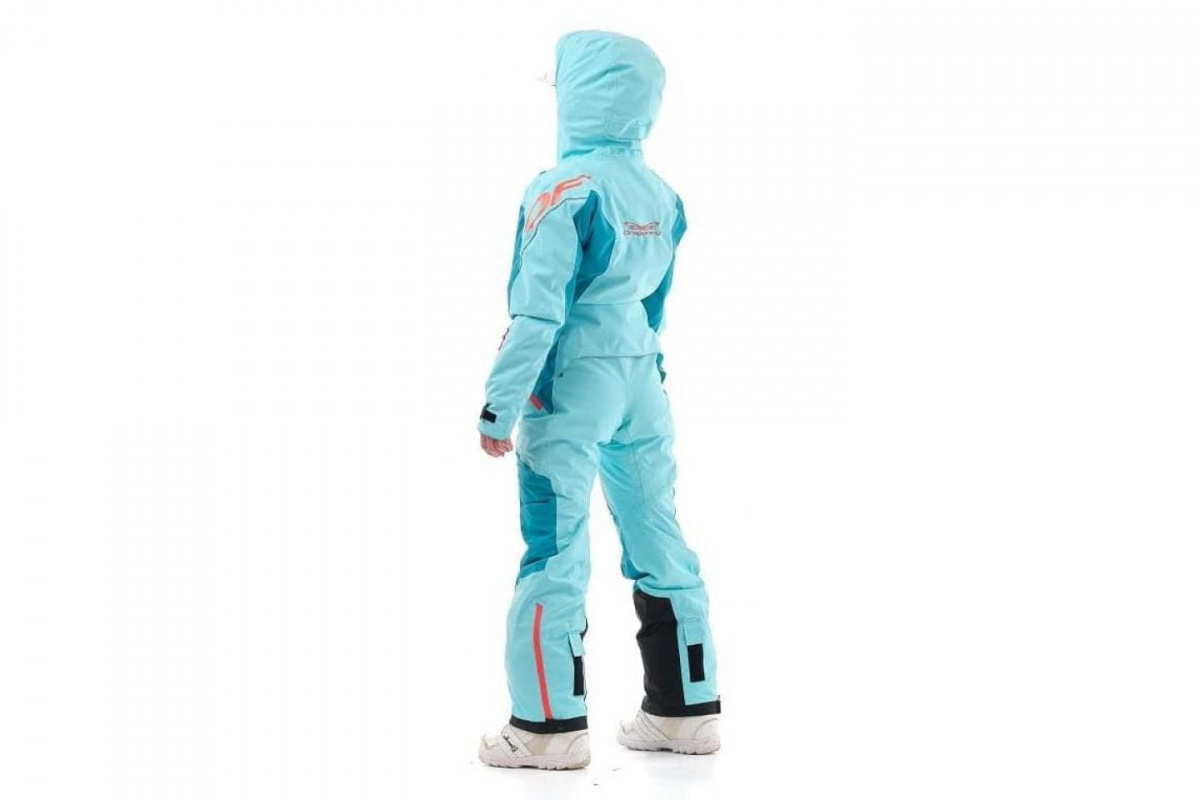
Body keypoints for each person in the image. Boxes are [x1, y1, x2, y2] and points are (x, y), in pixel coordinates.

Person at [476, 30, 720, 771]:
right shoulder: (662, 194)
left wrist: (498, 406)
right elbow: (656, 305)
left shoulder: (561, 189)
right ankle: (685, 712)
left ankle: (547, 726)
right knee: (659, 538)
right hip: (641, 377)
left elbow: (537, 313)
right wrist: (644, 367)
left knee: (555, 548)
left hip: (572, 382)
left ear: (577, 95)